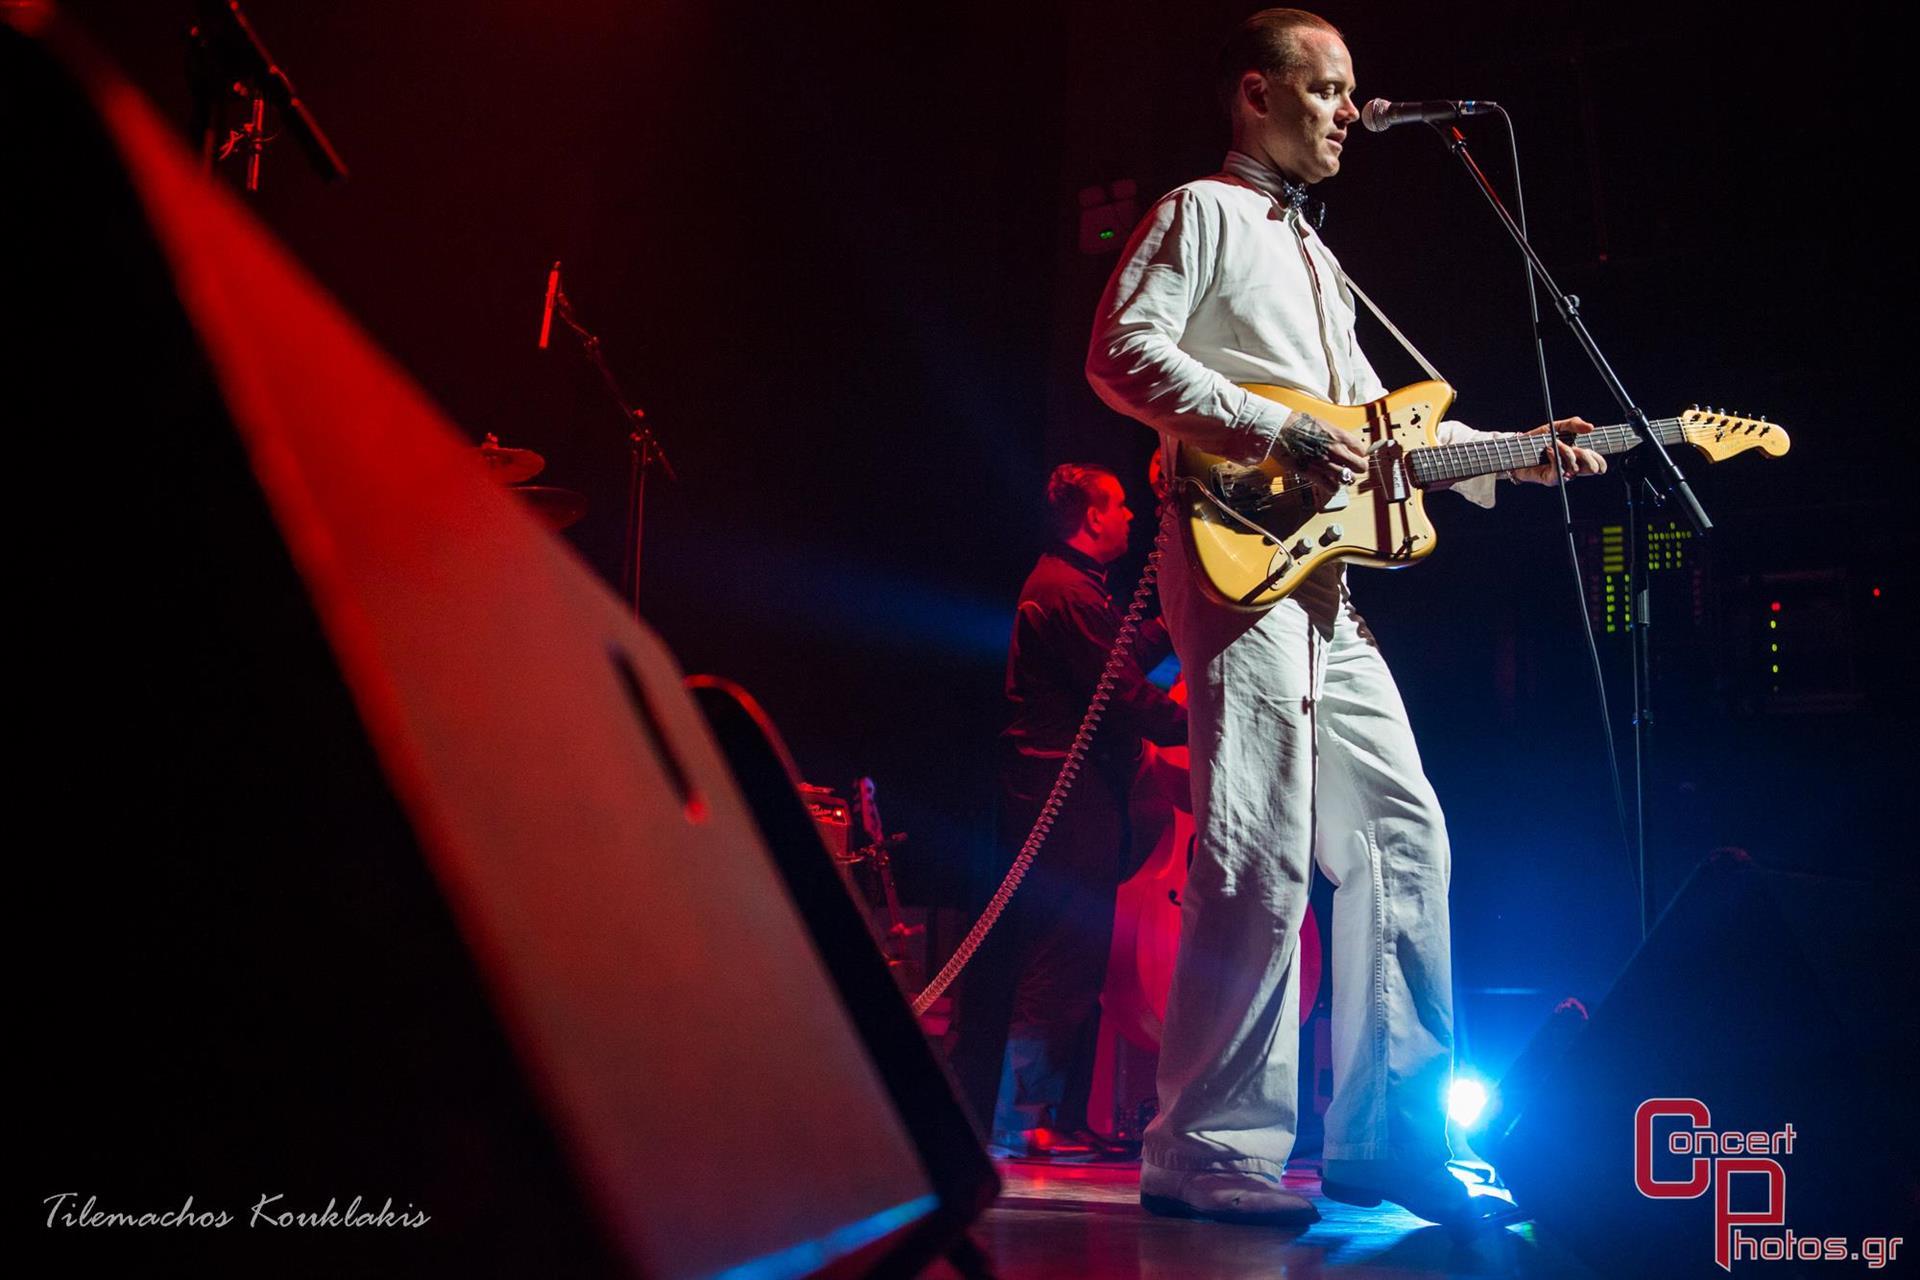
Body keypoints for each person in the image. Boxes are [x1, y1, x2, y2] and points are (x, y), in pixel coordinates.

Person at [1084, 8, 1606, 1227]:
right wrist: (1279, 427)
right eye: (1325, 91)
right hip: (1231, 560)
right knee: (1256, 839)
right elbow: (1122, 352)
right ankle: (1207, 1143)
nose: (1348, 115)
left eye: (1352, 92)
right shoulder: (1199, 212)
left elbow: (1387, 439)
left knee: (1404, 832)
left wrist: (1514, 457)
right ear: (1255, 96)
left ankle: (1387, 1134)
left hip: (1327, 582)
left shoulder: (1321, 258)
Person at [948, 464, 1188, 1159]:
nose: (1130, 517)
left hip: (1076, 791)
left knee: (1073, 954)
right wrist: (1193, 725)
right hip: (1061, 792)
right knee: (1063, 953)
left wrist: (1171, 622)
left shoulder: (1077, 589)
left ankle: (1048, 1113)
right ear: (1090, 517)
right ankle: (1027, 1119)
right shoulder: (1064, 594)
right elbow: (1118, 697)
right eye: (1118, 507)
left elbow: (1112, 660)